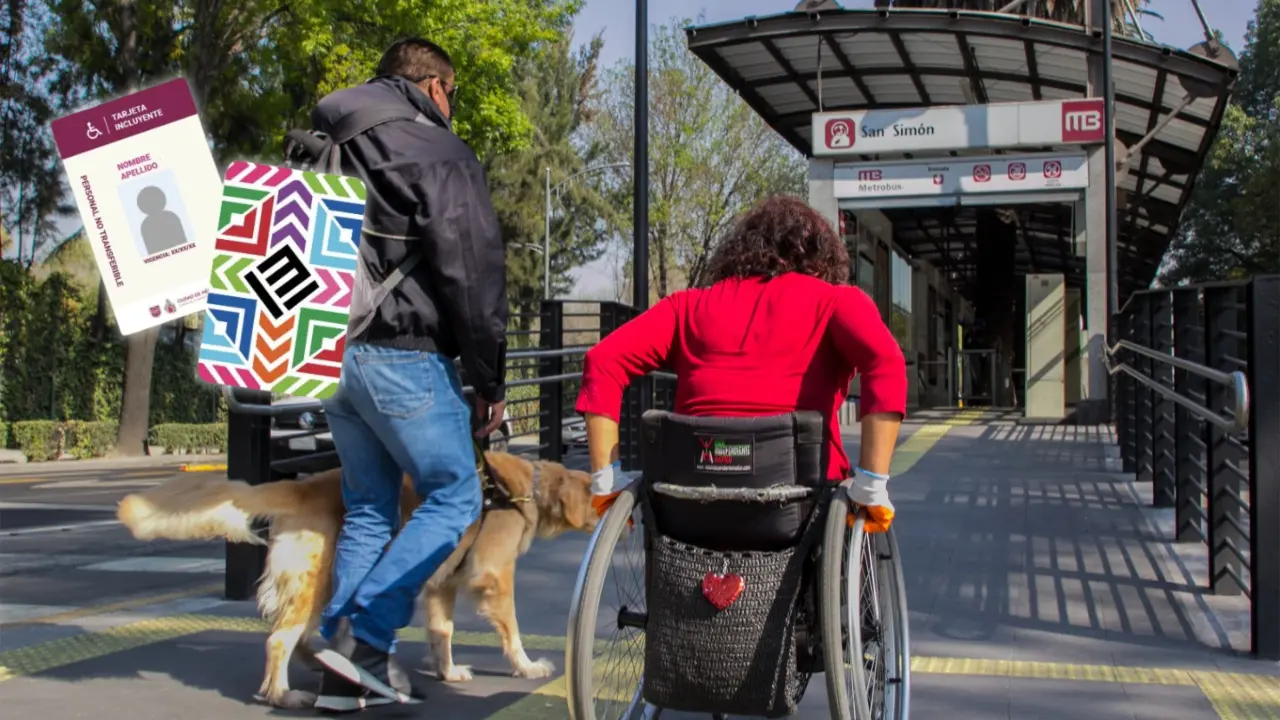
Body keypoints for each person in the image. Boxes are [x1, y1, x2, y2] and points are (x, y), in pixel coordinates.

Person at [308, 37, 508, 712]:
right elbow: (472, 271)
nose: (452, 107)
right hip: (401, 351)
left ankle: (340, 671)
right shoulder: (437, 152)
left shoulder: (323, 137)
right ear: (432, 87)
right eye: (453, 93)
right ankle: (364, 637)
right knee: (454, 495)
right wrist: (489, 381)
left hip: (327, 353)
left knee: (369, 509)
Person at [575, 196, 906, 528]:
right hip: (801, 506)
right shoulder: (836, 302)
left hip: (690, 506)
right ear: (821, 259)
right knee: (852, 510)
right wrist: (871, 485)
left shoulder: (686, 307)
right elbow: (886, 363)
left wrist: (607, 483)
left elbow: (603, 360)